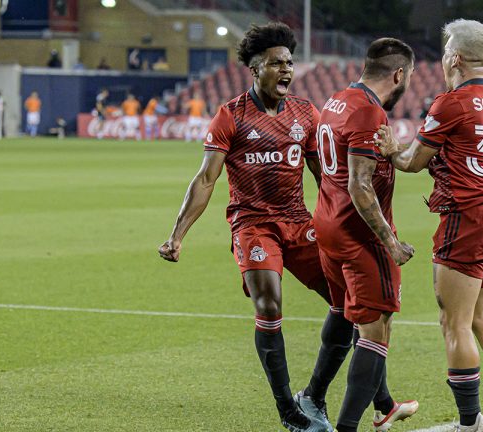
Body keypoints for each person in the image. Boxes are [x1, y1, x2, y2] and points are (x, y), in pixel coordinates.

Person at [158, 22, 332, 432]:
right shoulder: (231, 115)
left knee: (349, 301)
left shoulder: (307, 113)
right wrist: (177, 235)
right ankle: (287, 409)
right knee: (268, 303)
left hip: (298, 222)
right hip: (253, 225)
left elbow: (324, 175)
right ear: (255, 70)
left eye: (290, 62)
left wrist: (351, 222)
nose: (286, 70)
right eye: (276, 63)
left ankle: (325, 396)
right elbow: (205, 180)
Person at [375, 19, 483, 432]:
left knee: (454, 322)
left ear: (456, 58)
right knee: (478, 313)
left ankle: (470, 423)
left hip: (466, 217)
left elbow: (413, 161)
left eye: (447, 48)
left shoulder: (450, 102)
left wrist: (391, 150)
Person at [312, 38, 418, 432]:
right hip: (360, 236)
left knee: (346, 313)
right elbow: (360, 184)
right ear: (399, 74)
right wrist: (390, 241)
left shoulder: (336, 100)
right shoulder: (369, 113)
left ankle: (384, 405)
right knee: (376, 327)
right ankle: (347, 427)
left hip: (328, 225)